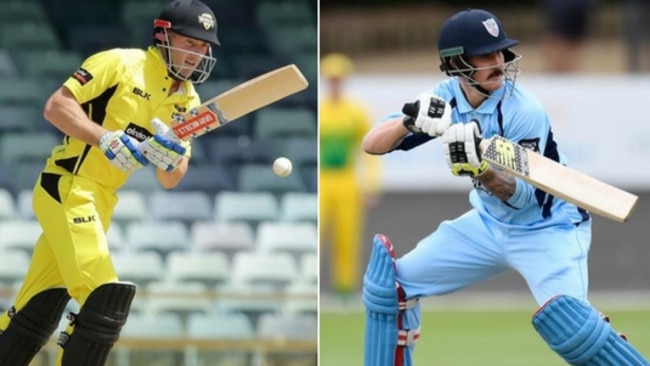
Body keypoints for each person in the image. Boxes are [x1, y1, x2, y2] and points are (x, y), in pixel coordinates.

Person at [360, 8, 648, 366]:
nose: (498, 61)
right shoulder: (444, 97)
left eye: (500, 52)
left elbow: (523, 198)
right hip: (487, 225)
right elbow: (372, 144)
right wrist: (407, 122)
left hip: (549, 228)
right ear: (456, 65)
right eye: (486, 54)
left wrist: (482, 172)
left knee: (577, 333)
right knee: (389, 289)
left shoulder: (523, 109)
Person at [0, 0, 220, 365]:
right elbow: (56, 106)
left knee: (36, 310)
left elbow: (171, 178)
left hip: (102, 201)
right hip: (69, 186)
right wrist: (104, 138)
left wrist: (171, 157)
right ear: (163, 35)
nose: (197, 55)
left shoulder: (187, 100)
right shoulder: (120, 63)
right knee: (104, 300)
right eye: (190, 43)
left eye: (204, 47)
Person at [319, 53, 381, 298]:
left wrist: (371, 184)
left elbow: (370, 149)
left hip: (347, 178)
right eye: (331, 79)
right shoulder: (322, 110)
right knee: (319, 231)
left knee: (347, 234)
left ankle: (344, 288)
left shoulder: (356, 111)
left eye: (339, 79)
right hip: (324, 178)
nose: (335, 83)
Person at [541, 0, 594, 73]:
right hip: (561, 6)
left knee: (574, 42)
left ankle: (565, 73)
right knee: (558, 39)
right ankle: (558, 72)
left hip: (577, 6)